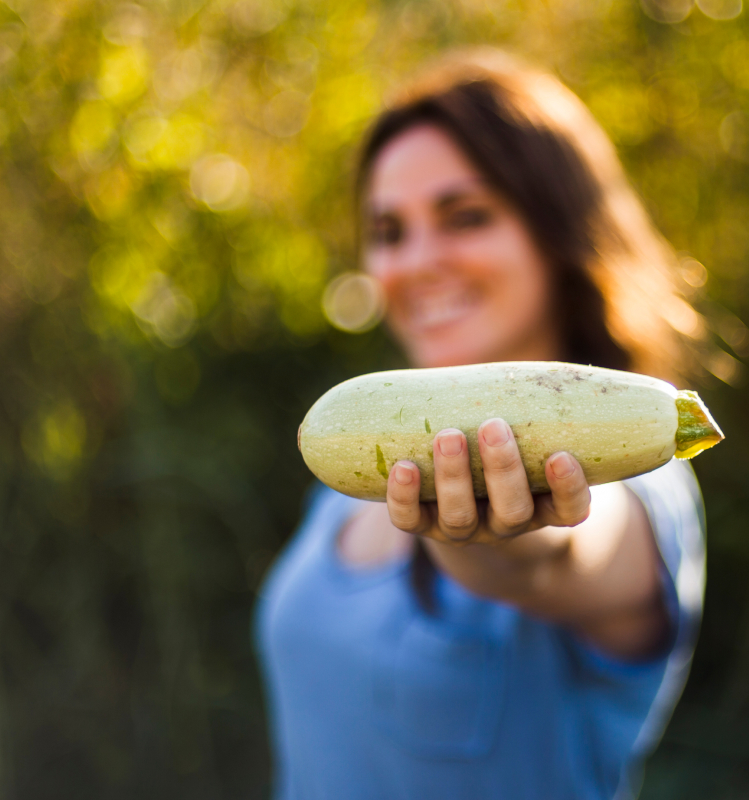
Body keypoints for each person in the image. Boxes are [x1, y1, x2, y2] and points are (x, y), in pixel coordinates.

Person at [254, 50, 707, 800]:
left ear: (560, 232)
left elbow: (559, 556)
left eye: (466, 216)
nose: (420, 261)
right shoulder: (354, 474)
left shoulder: (638, 479)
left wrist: (508, 547)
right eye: (390, 231)